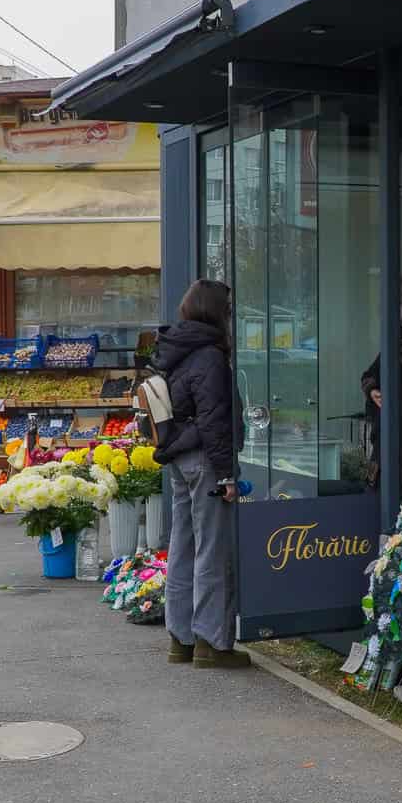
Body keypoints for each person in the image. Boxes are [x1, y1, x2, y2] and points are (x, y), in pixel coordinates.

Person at [153, 279, 248, 669]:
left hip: (180, 457)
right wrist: (226, 475)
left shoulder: (177, 347)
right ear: (216, 310)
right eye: (228, 307)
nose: (231, 314)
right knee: (212, 550)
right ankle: (211, 642)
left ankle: (181, 638)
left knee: (183, 546)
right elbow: (214, 421)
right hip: (205, 460)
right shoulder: (209, 355)